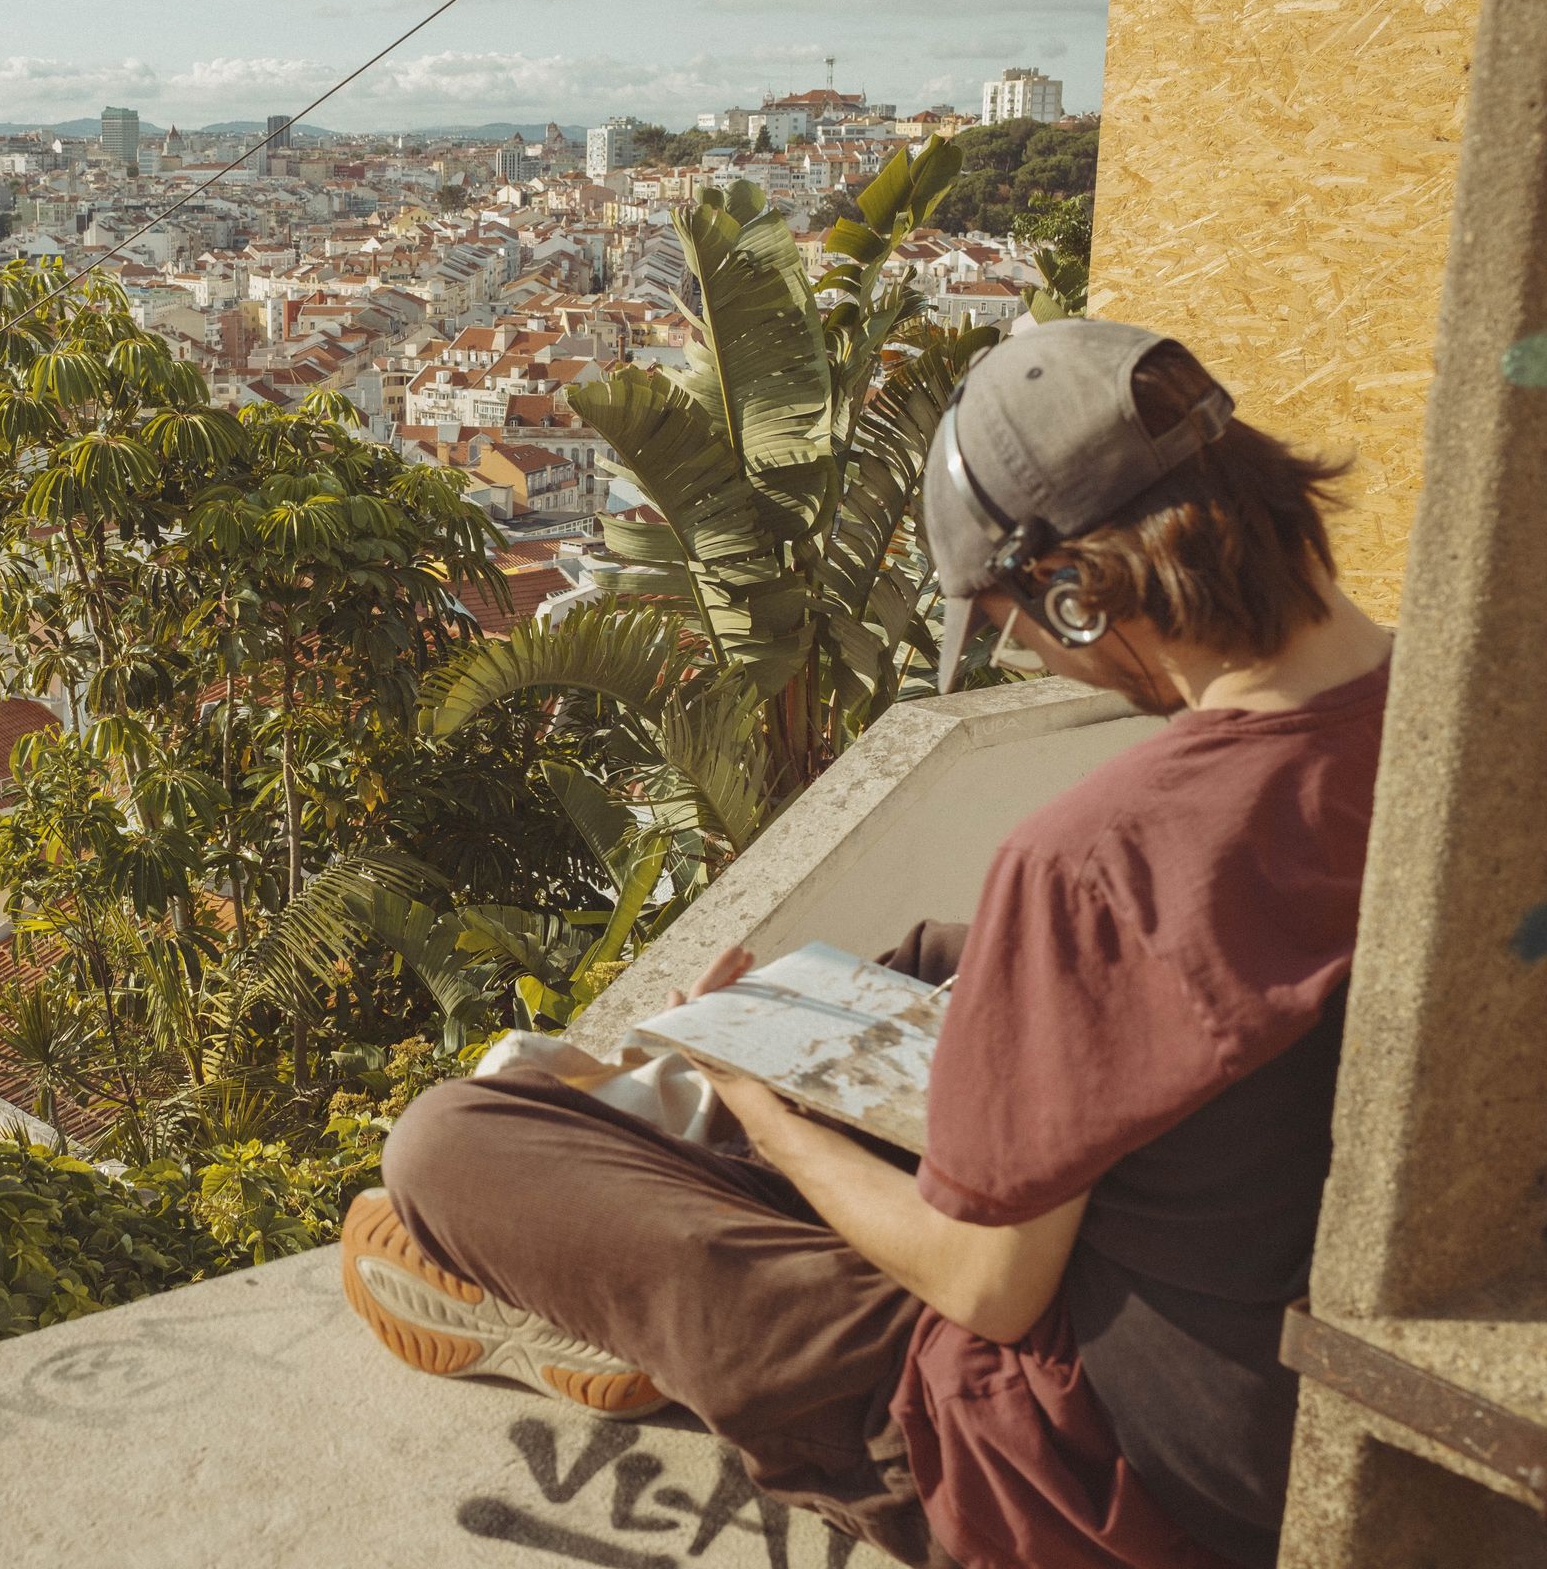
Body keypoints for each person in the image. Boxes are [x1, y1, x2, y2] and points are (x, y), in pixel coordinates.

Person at [343, 318, 1397, 1569]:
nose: (1032, 650)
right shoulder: (1464, 724)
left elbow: (987, 1289)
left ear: (1078, 584)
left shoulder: (1102, 854)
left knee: (451, 1142)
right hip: (1318, 1365)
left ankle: (673, 1196)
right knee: (928, 961)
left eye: (1017, 619)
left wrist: (766, 1104)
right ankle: (684, 1168)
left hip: (1097, 1471)